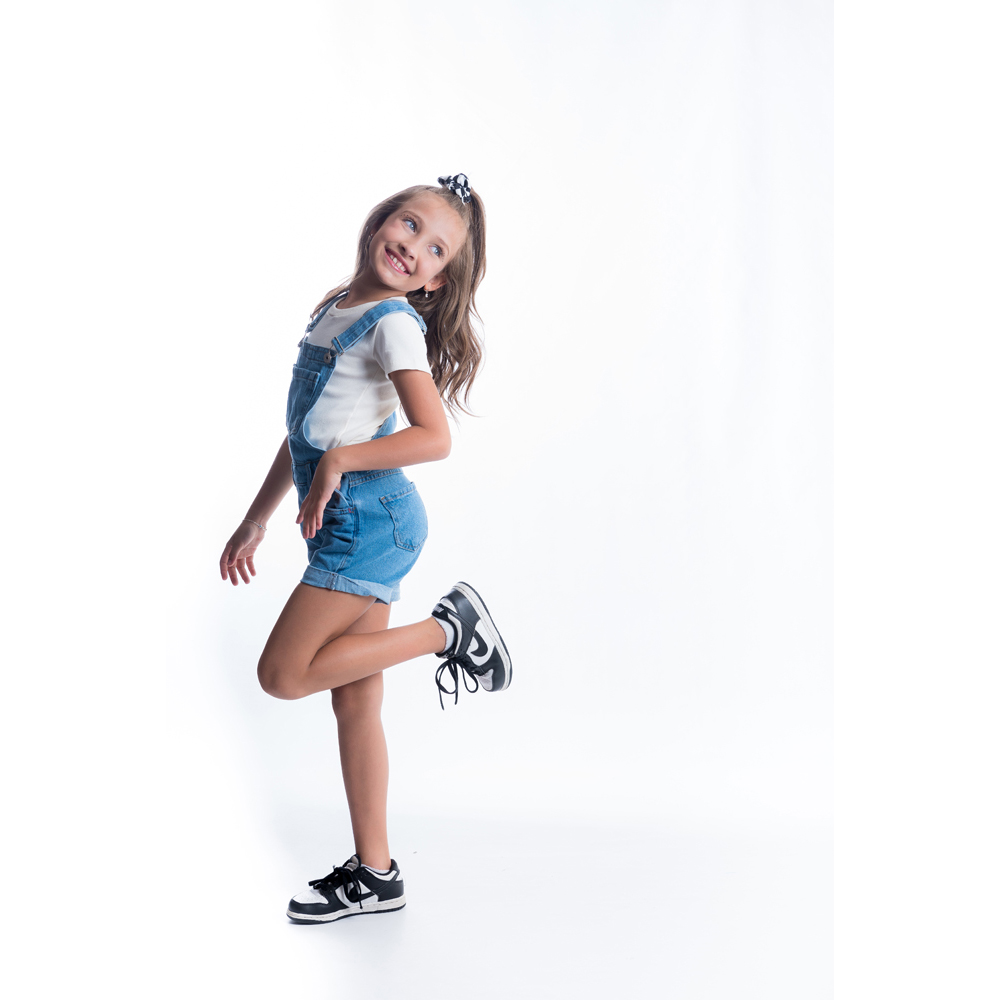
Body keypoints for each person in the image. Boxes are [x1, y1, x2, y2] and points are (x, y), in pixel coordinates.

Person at [218, 174, 511, 924]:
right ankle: (377, 874)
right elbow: (307, 433)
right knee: (355, 700)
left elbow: (434, 438)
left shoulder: (394, 325)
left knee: (282, 675)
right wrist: (256, 518)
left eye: (435, 250)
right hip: (360, 519)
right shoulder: (336, 307)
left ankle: (449, 630)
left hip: (368, 523)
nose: (413, 248)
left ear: (437, 281)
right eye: (409, 225)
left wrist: (344, 463)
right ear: (381, 220)